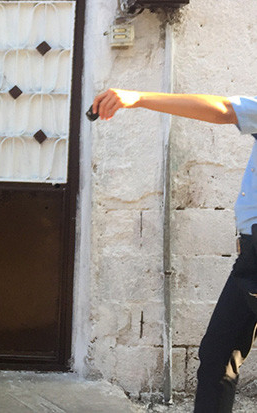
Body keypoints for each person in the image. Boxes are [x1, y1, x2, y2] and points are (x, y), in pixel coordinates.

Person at [91, 89, 257, 412]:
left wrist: (137, 98)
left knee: (218, 357)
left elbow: (224, 109)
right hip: (250, 260)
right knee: (217, 356)